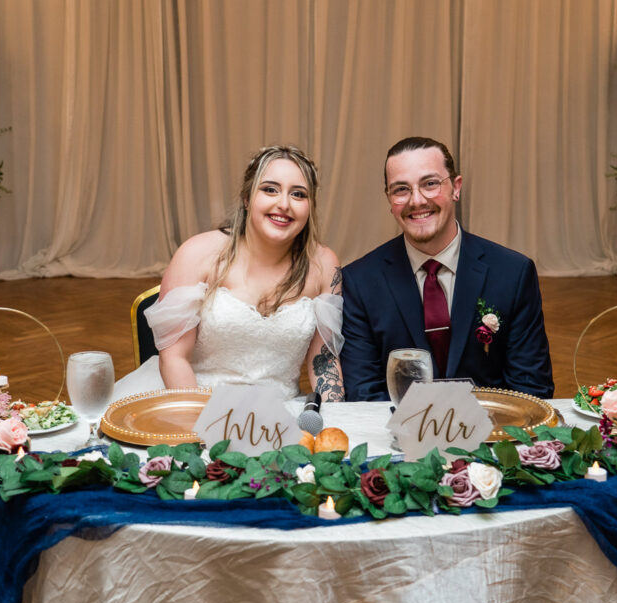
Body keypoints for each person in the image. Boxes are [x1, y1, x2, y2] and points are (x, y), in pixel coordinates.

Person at [113, 145, 345, 403]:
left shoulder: (324, 264)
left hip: (279, 413)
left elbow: (323, 360)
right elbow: (174, 358)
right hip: (193, 403)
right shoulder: (197, 253)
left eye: (298, 194)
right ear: (247, 198)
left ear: (310, 206)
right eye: (270, 189)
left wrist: (334, 421)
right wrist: (201, 430)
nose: (284, 204)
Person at [340, 136, 553, 401]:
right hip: (398, 436)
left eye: (430, 184)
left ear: (456, 187)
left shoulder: (513, 273)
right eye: (401, 190)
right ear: (389, 199)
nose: (416, 201)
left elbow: (531, 388)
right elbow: (363, 393)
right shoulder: (359, 281)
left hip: (492, 435)